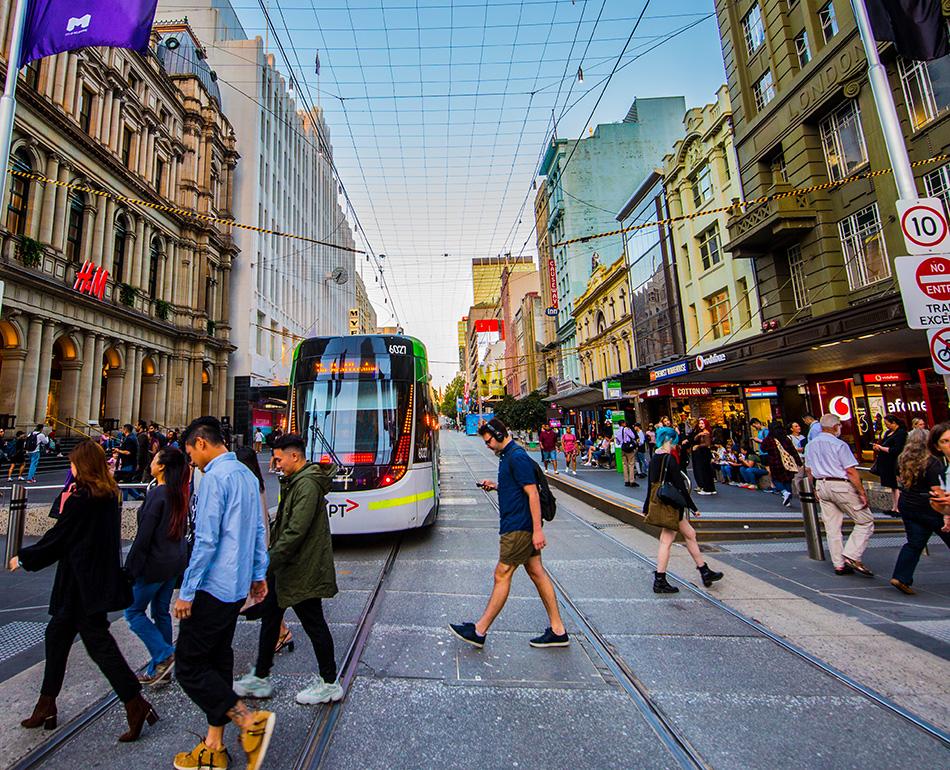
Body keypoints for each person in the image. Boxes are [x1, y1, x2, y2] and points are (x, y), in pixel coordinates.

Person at [10, 441, 157, 741]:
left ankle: (135, 703)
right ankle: (46, 704)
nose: (71, 468)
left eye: (74, 463)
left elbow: (59, 537)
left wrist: (24, 557)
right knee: (57, 637)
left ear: (83, 466)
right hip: (91, 582)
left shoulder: (83, 498)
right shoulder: (107, 494)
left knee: (100, 646)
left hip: (81, 585)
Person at [172, 417, 274, 770]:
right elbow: (260, 529)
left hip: (213, 587)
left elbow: (206, 540)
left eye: (190, 453)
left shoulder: (215, 477)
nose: (191, 462)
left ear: (201, 443)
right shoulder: (246, 475)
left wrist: (187, 590)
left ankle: (248, 721)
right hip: (235, 588)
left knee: (187, 665)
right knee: (217, 660)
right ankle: (214, 745)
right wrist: (259, 574)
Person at [233, 434, 342, 704]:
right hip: (288, 567)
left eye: (279, 459)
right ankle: (260, 675)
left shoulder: (306, 485)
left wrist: (268, 561)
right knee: (270, 618)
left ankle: (329, 682)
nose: (276, 464)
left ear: (295, 456)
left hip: (300, 568)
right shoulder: (296, 481)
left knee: (314, 623)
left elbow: (295, 531)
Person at [450, 418, 568, 649]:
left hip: (519, 527)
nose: (488, 446)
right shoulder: (508, 456)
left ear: (501, 435)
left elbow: (532, 494)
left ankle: (479, 630)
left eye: (489, 441)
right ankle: (558, 630)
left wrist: (537, 531)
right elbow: (518, 487)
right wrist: (495, 486)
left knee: (502, 573)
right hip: (519, 524)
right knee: (536, 572)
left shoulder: (516, 457)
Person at [124, 447, 190, 685]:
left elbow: (144, 536)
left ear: (162, 466)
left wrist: (130, 570)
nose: (151, 463)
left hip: (154, 565)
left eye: (154, 459)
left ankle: (163, 654)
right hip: (174, 564)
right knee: (161, 612)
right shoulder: (179, 493)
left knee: (132, 612)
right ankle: (159, 670)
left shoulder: (158, 494)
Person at [645, 427, 723, 594]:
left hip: (661, 502)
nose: (676, 443)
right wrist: (693, 507)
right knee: (666, 541)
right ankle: (660, 579)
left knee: (690, 534)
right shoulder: (669, 459)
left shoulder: (654, 458)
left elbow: (651, 485)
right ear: (670, 440)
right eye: (675, 440)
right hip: (672, 505)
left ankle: (704, 571)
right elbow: (680, 486)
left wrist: (646, 506)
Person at [234, 446, 293, 654]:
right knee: (262, 600)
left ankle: (281, 633)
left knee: (259, 600)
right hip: (260, 550)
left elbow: (256, 525)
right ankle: (282, 631)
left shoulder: (249, 487)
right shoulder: (256, 485)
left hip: (256, 552)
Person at [805, 413, 875, 577]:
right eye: (840, 426)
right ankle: (851, 554)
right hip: (840, 484)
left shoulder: (810, 445)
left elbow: (809, 470)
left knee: (832, 527)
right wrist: (861, 491)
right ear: (835, 427)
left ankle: (839, 564)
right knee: (865, 520)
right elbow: (850, 470)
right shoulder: (839, 445)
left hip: (821, 484)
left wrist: (814, 488)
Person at [889, 427, 950, 594]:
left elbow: (899, 480)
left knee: (914, 543)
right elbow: (937, 490)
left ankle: (901, 577)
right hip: (930, 506)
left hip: (908, 504)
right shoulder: (932, 462)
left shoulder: (902, 459)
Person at [871, 414, 907, 515]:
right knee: (892, 486)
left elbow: (897, 449)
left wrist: (881, 448)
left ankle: (899, 508)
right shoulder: (888, 433)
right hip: (886, 462)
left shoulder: (901, 433)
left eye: (887, 424)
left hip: (894, 462)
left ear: (894, 423)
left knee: (896, 485)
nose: (886, 426)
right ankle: (894, 507)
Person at [761, 424, 802, 507]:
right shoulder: (786, 439)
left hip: (775, 463)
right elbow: (793, 451)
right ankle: (788, 497)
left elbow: (763, 449)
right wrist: (799, 462)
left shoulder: (769, 439)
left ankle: (784, 492)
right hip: (788, 463)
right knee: (788, 480)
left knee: (776, 479)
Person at [691, 419, 716, 495]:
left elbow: (707, 444)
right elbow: (694, 439)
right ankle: (710, 488)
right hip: (703, 453)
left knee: (706, 471)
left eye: (702, 423)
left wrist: (698, 446)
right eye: (700, 423)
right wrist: (699, 435)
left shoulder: (706, 433)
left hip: (705, 453)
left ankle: (708, 489)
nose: (700, 425)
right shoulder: (701, 433)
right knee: (705, 471)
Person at [616, 419, 640, 488]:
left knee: (624, 464)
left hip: (622, 448)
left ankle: (626, 481)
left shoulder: (617, 431)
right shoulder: (626, 429)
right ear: (623, 423)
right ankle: (632, 481)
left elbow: (617, 442)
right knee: (631, 464)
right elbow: (633, 436)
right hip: (629, 448)